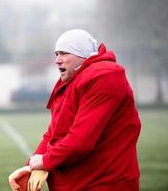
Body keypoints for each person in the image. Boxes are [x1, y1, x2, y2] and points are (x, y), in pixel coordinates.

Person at [8, 29, 141, 191]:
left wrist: (45, 161)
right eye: (56, 54)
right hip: (78, 182)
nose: (57, 60)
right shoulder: (73, 80)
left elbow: (81, 141)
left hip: (103, 183)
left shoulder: (104, 76)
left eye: (64, 53)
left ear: (83, 55)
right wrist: (30, 167)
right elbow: (54, 133)